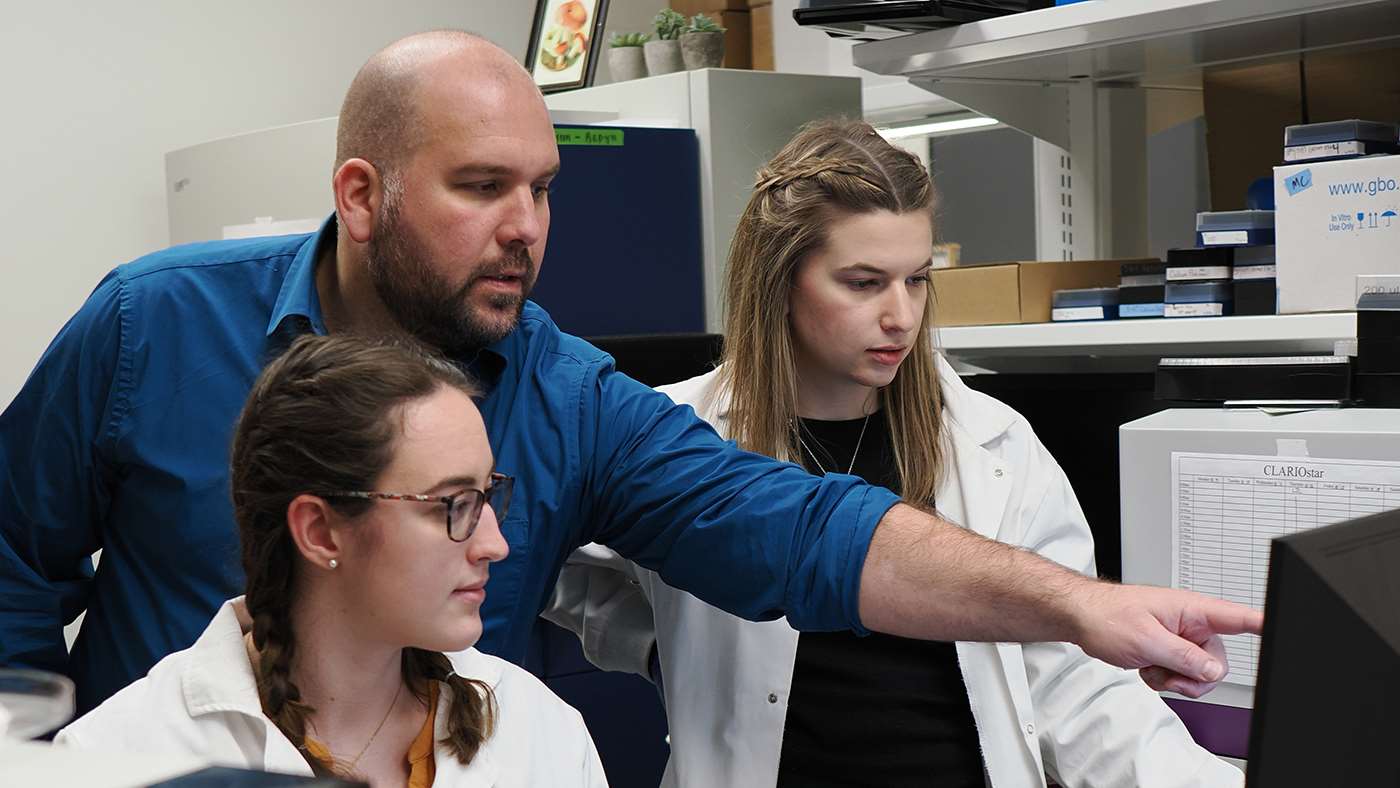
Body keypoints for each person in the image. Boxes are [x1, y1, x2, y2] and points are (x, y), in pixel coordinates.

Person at [0, 29, 1258, 718]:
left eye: (542, 189)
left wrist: (1073, 604)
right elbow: (9, 558)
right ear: (361, 193)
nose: (528, 228)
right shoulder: (150, 328)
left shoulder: (563, 392)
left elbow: (792, 522)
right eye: (482, 187)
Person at [546, 119, 1243, 787]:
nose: (901, 316)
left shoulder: (992, 443)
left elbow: (1072, 680)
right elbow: (547, 555)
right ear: (780, 280)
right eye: (863, 282)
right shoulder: (676, 429)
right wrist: (660, 646)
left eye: (917, 279)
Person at [55, 334, 607, 787]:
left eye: (489, 496)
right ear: (320, 532)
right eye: (453, 504)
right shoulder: (113, 762)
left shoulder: (542, 734)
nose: (495, 544)